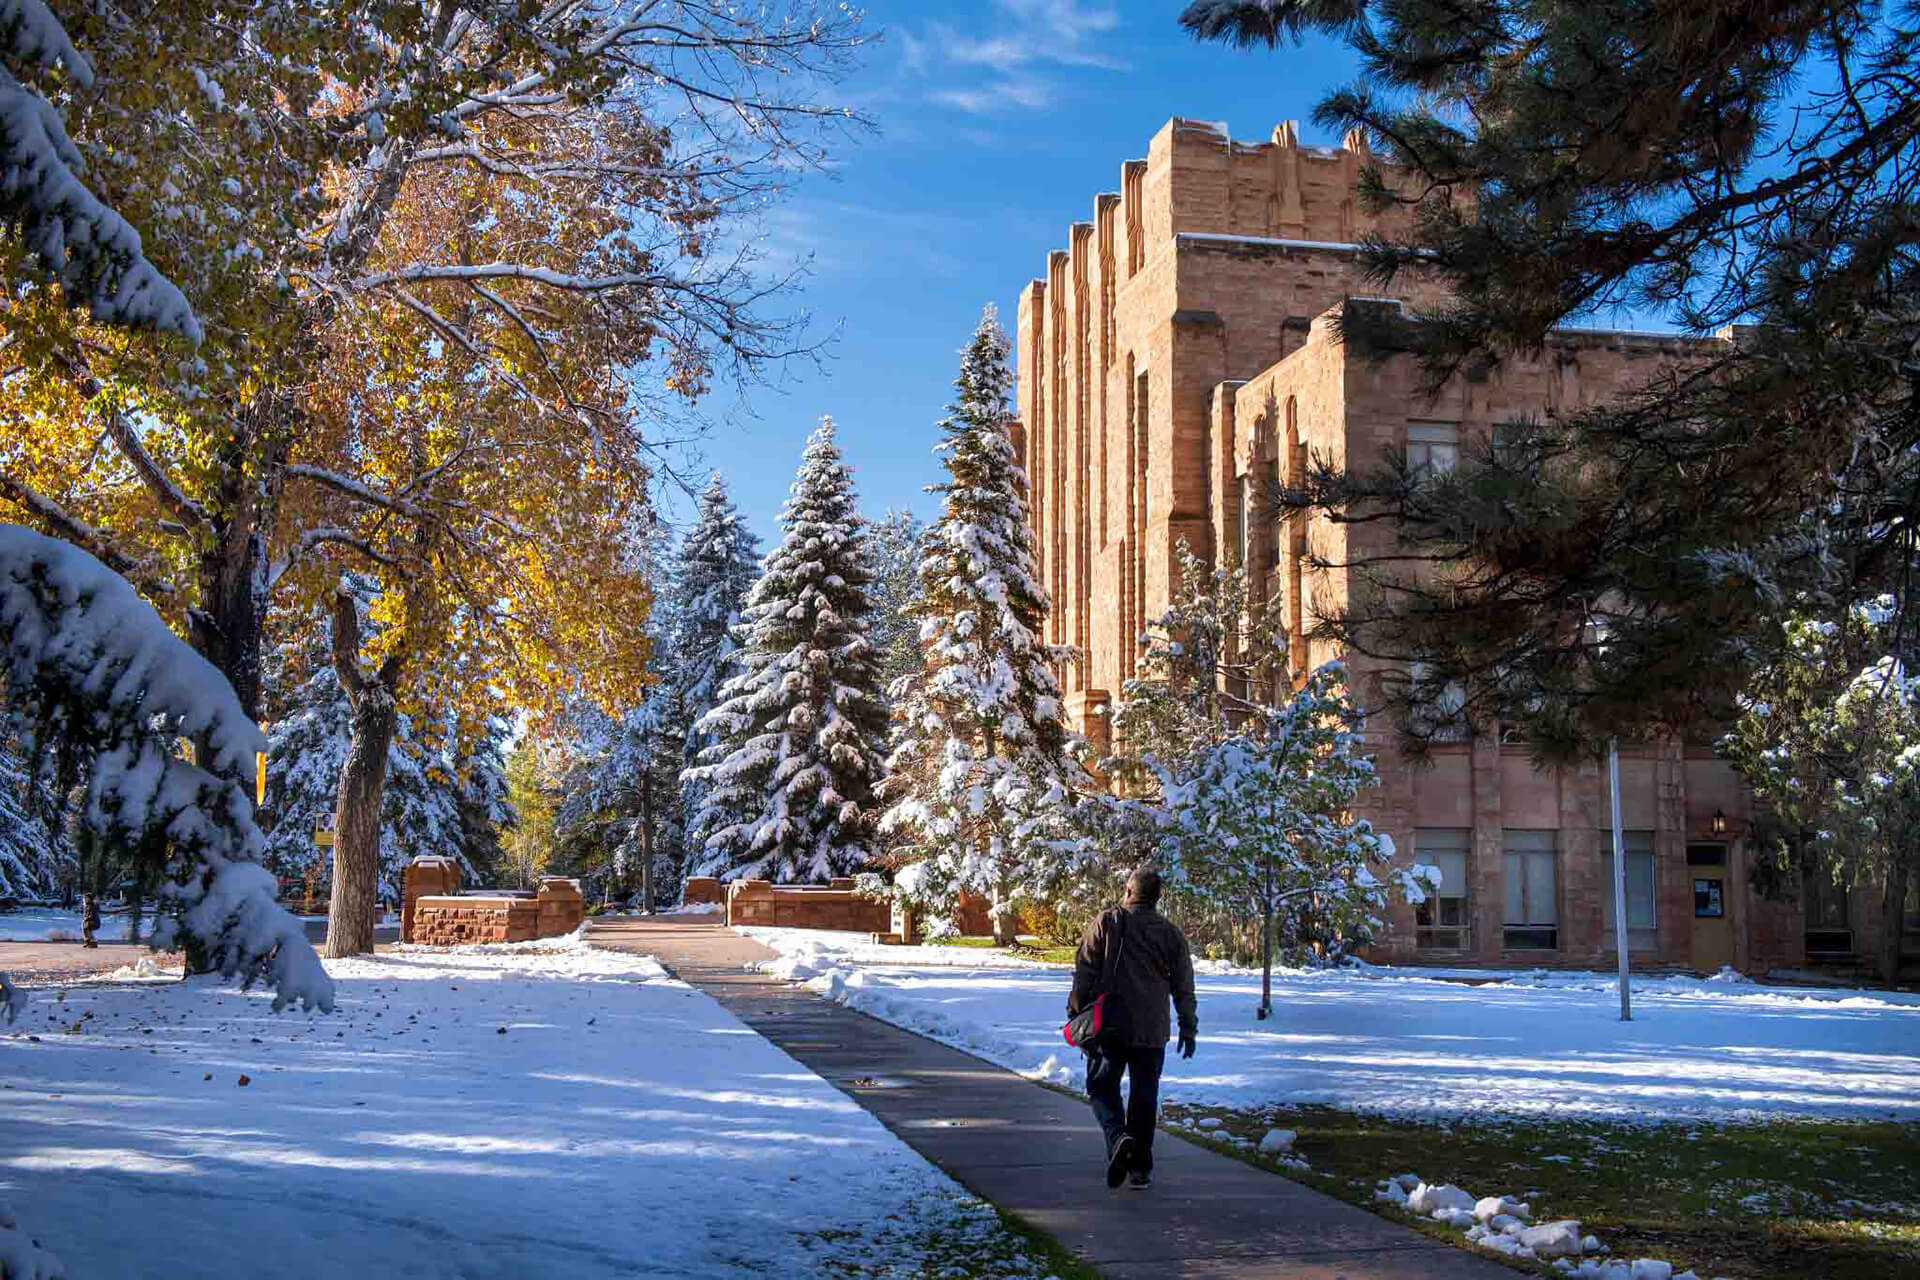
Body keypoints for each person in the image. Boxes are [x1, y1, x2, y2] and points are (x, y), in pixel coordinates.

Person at [1067, 867, 1197, 1190]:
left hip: (1111, 1024)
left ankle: (1117, 1137)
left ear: (1128, 892)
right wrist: (1188, 1025)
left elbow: (1083, 970)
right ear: (1156, 898)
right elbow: (1184, 985)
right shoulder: (1171, 933)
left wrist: (1076, 1013)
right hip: (1152, 1029)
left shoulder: (1107, 922)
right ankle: (1139, 1168)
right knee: (1144, 1095)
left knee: (1101, 1087)